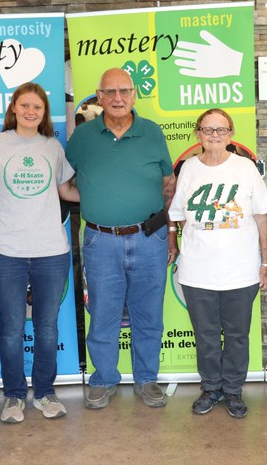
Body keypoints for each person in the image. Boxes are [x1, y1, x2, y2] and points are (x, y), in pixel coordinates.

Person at [66, 67, 177, 410]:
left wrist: (169, 232)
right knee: (103, 313)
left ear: (133, 95)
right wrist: (98, 198)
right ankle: (103, 379)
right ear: (98, 97)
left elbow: (169, 186)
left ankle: (147, 378)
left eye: (124, 91)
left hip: (150, 238)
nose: (117, 98)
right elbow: (64, 183)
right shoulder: (82, 139)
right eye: (110, 92)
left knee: (149, 314)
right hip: (101, 241)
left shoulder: (153, 133)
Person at [0, 82, 79, 423]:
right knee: (11, 328)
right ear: (14, 109)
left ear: (44, 112)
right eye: (25, 105)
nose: (31, 111)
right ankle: (14, 396)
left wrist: (110, 194)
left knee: (47, 327)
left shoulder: (53, 147)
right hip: (6, 253)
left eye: (38, 107)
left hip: (51, 252)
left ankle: (45, 393)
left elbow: (65, 189)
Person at [168, 108, 267, 418]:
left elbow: (261, 217)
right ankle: (211, 388)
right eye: (208, 129)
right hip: (197, 272)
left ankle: (234, 391)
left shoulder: (246, 169)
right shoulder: (188, 169)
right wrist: (173, 239)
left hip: (240, 271)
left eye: (221, 130)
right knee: (206, 335)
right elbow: (175, 213)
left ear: (231, 135)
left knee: (238, 334)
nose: (214, 135)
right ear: (198, 134)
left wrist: (266, 262)